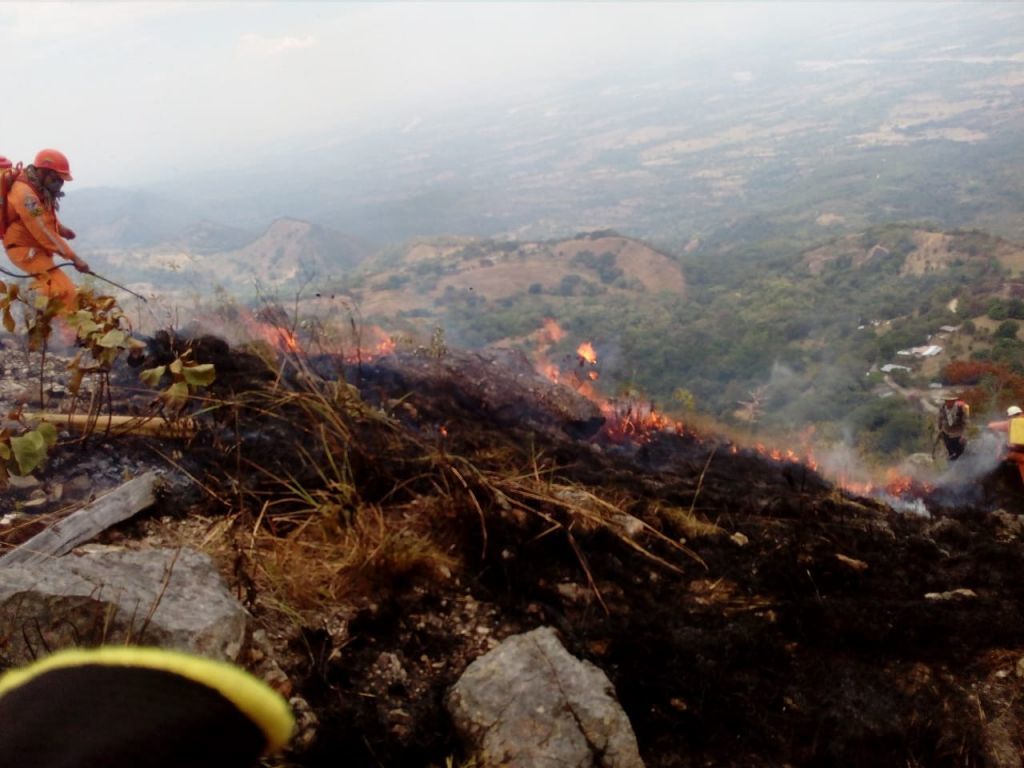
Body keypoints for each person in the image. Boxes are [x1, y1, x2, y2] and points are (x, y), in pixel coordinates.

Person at [1, 148, 89, 313]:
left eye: (62, 180)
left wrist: (61, 229)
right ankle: (68, 336)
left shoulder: (36, 186)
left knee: (56, 288)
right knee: (64, 290)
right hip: (23, 249)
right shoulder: (25, 195)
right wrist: (75, 258)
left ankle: (46, 321)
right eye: (57, 178)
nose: (59, 184)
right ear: (43, 172)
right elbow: (43, 230)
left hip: (34, 247)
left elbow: (42, 217)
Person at [987, 405, 1024, 483]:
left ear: (1009, 417)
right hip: (1019, 454)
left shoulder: (1009, 423)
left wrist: (998, 438)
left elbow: (990, 426)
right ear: (1021, 413)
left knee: (1006, 455)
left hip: (1019, 455)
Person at [937, 392, 970, 461]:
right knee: (950, 452)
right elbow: (940, 419)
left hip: (958, 434)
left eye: (951, 401)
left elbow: (966, 422)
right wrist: (939, 429)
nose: (949, 403)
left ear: (954, 401)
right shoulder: (942, 408)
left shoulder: (961, 408)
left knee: (960, 452)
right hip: (947, 432)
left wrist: (964, 435)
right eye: (947, 401)